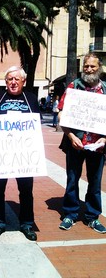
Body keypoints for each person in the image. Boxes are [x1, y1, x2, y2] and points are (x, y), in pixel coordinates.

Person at [0, 66, 40, 241]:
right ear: (6, 82)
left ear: (23, 81)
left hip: (23, 156)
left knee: (26, 190)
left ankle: (26, 223)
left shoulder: (31, 98)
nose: (13, 82)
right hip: (1, 154)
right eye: (10, 79)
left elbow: (36, 127)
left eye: (17, 79)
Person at [58, 53, 106, 233]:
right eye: (86, 66)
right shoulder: (73, 86)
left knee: (95, 182)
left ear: (99, 68)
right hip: (75, 143)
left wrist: (105, 138)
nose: (89, 70)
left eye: (93, 66)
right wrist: (71, 137)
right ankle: (70, 214)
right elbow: (62, 114)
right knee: (72, 179)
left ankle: (92, 217)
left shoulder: (105, 90)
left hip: (98, 146)